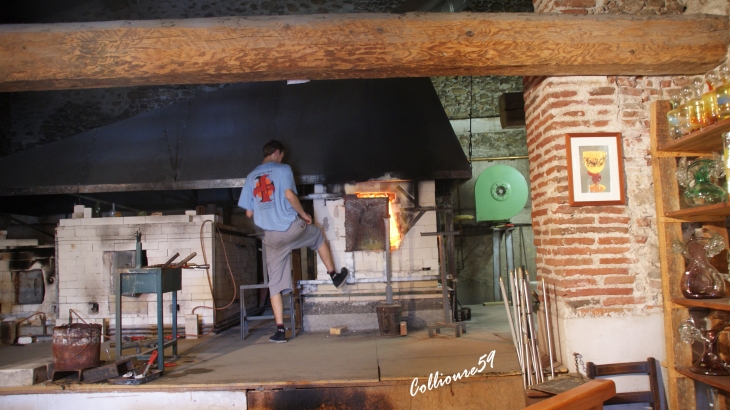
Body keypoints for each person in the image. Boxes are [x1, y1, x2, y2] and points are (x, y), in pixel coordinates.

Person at [238, 140, 348, 343]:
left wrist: (266, 212)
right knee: (316, 235)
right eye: (281, 155)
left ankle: (280, 330)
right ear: (277, 153)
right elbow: (289, 194)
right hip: (291, 229)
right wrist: (304, 214)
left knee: (274, 284)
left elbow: (248, 212)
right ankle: (334, 276)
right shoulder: (283, 169)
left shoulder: (250, 177)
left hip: (271, 237)